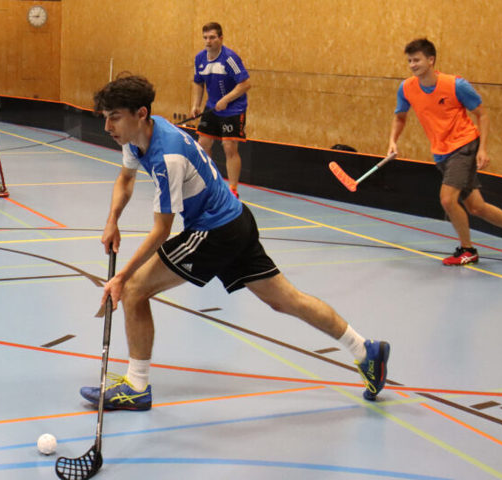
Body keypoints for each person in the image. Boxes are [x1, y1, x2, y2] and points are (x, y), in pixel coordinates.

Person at [79, 74, 390, 412]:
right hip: (236, 221)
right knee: (286, 300)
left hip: (214, 231)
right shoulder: (136, 136)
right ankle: (365, 350)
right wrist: (113, 220)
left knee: (136, 289)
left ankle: (137, 386)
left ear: (140, 113)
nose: (108, 126)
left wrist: (121, 277)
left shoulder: (167, 156)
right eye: (105, 117)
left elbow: (161, 232)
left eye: (115, 117)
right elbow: (125, 179)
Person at [388, 38, 502, 265]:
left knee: (447, 200)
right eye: (409, 61)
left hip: (464, 146)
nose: (412, 65)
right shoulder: (407, 88)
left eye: (416, 60)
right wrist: (392, 141)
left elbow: (482, 115)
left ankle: (468, 250)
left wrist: (482, 149)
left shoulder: (456, 85)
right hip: (441, 152)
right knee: (477, 207)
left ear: (431, 60)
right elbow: (400, 116)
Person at [190, 22, 251, 198]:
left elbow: (246, 84)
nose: (208, 41)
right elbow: (198, 82)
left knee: (229, 146)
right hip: (212, 108)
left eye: (212, 37)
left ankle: (232, 189)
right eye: (205, 38)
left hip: (233, 109)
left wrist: (226, 99)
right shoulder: (199, 59)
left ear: (221, 38)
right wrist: (196, 105)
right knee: (203, 144)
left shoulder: (230, 58)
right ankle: (210, 182)